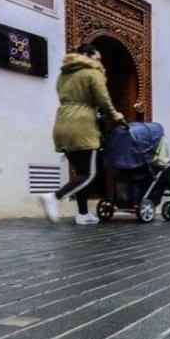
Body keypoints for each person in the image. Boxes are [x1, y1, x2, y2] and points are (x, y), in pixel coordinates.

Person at [39, 43, 124, 224]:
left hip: (63, 124)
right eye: (98, 58)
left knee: (80, 172)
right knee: (90, 173)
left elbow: (73, 99)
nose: (100, 62)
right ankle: (54, 197)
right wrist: (115, 115)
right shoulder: (92, 73)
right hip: (82, 126)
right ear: (87, 55)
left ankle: (83, 214)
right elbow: (103, 99)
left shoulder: (64, 74)